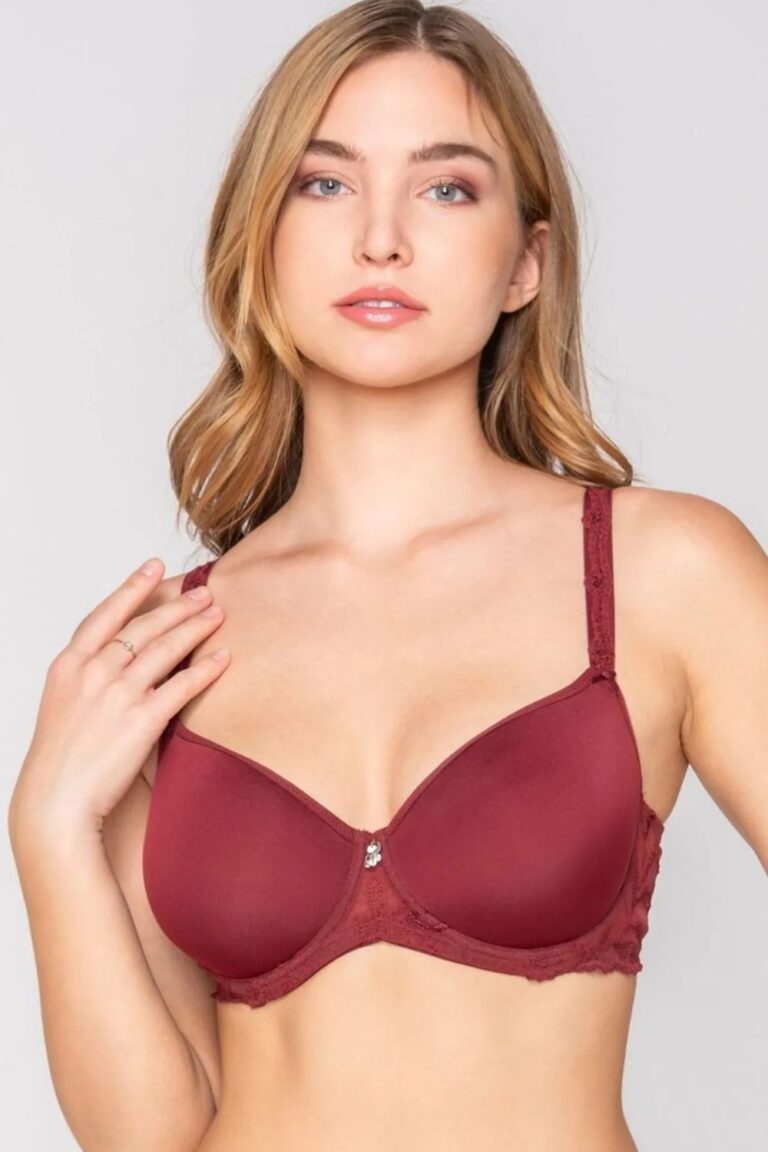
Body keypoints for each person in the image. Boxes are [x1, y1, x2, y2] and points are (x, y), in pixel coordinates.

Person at [9, 2, 768, 1150]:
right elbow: (154, 1139)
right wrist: (49, 826)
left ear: (527, 261)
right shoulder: (167, 651)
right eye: (324, 184)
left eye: (446, 188)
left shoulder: (664, 573)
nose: (380, 239)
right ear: (260, 237)